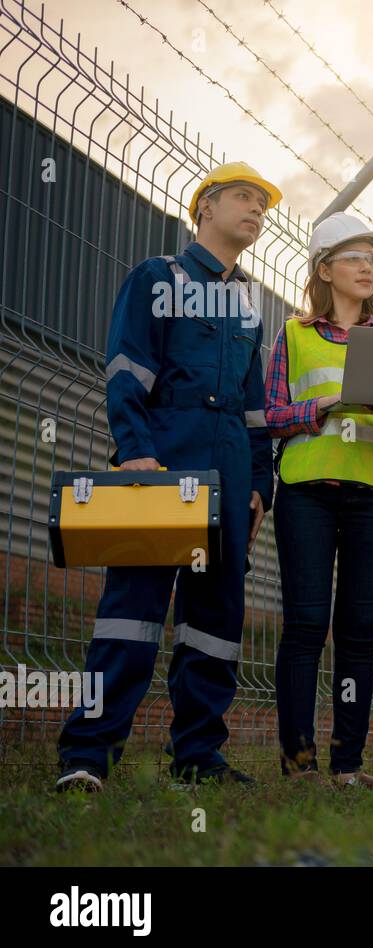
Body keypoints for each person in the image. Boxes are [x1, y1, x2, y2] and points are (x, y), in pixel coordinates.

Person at [56, 162, 280, 790]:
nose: (256, 209)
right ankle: (88, 755)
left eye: (262, 203)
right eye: (243, 197)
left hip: (231, 471)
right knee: (132, 612)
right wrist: (133, 450)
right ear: (204, 207)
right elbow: (126, 367)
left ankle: (197, 757)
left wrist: (260, 482)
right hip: (163, 463)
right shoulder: (159, 277)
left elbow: (256, 405)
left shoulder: (245, 305)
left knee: (214, 619)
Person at [265, 212, 373, 787]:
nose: (367, 268)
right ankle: (298, 763)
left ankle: (347, 766)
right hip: (307, 493)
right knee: (305, 626)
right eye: (355, 258)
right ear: (324, 269)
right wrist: (320, 409)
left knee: (359, 633)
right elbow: (271, 415)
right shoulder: (295, 335)